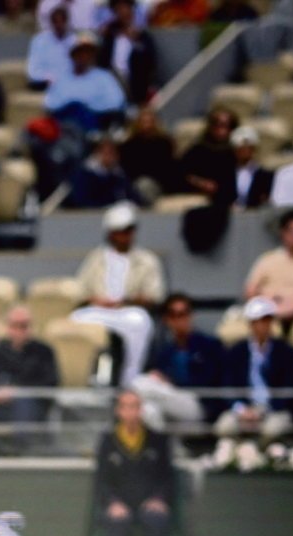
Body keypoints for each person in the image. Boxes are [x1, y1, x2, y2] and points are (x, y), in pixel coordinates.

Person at [72, 201, 166, 385]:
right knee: (76, 318)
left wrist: (126, 301)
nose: (125, 235)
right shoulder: (96, 258)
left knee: (140, 321)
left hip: (128, 311)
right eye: (120, 231)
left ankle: (129, 380)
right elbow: (80, 291)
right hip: (99, 311)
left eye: (128, 230)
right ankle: (82, 380)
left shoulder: (146, 260)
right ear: (110, 233)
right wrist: (96, 300)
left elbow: (155, 296)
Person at [93, 388, 172, 536]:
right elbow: (102, 479)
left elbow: (166, 477)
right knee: (118, 522)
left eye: (134, 406)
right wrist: (112, 502)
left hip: (149, 503)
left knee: (157, 519)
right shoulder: (107, 441)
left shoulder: (158, 440)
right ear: (118, 411)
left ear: (141, 410)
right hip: (119, 504)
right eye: (125, 407)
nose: (130, 412)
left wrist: (158, 499)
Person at [0, 305, 59, 450]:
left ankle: (19, 455)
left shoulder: (44, 352)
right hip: (0, 407)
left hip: (32, 407)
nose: (19, 331)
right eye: (14, 326)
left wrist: (18, 391)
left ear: (31, 327)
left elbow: (51, 383)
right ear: (7, 327)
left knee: (23, 406)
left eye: (24, 326)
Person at [133, 293, 225, 426]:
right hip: (171, 401)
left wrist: (169, 382)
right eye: (173, 315)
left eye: (183, 314)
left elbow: (209, 382)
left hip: (199, 405)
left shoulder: (209, 345)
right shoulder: (165, 350)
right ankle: (162, 446)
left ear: (190, 316)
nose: (179, 320)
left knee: (140, 384)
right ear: (167, 319)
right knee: (148, 410)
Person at [215, 296, 293, 441]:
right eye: (256, 321)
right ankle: (236, 460)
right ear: (250, 323)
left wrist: (264, 410)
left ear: (271, 322)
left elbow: (290, 387)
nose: (261, 325)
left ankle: (261, 460)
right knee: (224, 426)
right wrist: (241, 409)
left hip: (274, 409)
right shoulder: (236, 351)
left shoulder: (286, 352)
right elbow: (228, 384)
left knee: (271, 430)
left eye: (265, 320)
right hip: (244, 407)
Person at [44, 33, 126, 132]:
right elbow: (51, 103)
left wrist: (88, 105)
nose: (84, 56)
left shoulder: (104, 77)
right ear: (73, 55)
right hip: (65, 121)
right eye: (80, 52)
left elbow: (115, 102)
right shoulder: (62, 78)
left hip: (93, 121)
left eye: (88, 53)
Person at [65, 131, 143, 210]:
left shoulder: (119, 174)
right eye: (106, 153)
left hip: (116, 213)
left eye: (112, 153)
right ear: (97, 153)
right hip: (91, 215)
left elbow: (133, 197)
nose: (110, 157)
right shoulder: (85, 173)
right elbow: (81, 201)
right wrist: (105, 207)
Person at [102, 0, 159, 107]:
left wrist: (136, 41)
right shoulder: (110, 35)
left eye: (126, 8)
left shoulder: (143, 36)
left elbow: (151, 61)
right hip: (113, 84)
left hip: (135, 88)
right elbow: (103, 61)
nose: (123, 12)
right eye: (119, 9)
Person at [179, 107, 238, 207]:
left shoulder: (236, 151)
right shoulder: (199, 149)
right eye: (218, 125)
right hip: (202, 193)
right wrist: (200, 183)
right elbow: (181, 172)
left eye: (226, 126)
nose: (221, 130)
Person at [117, 107, 176, 204]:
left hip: (159, 182)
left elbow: (168, 167)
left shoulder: (164, 143)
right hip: (134, 181)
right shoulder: (129, 145)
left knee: (145, 185)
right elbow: (126, 168)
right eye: (144, 121)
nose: (147, 125)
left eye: (150, 121)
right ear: (138, 123)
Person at [27, 5, 75, 88]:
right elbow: (32, 70)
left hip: (69, 82)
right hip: (44, 82)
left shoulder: (74, 41)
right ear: (51, 23)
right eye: (56, 21)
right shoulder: (39, 41)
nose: (59, 25)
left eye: (62, 21)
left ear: (67, 22)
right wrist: (48, 78)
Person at [229, 126, 275, 209]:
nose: (245, 151)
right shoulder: (226, 174)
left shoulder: (265, 175)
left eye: (248, 147)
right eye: (241, 148)